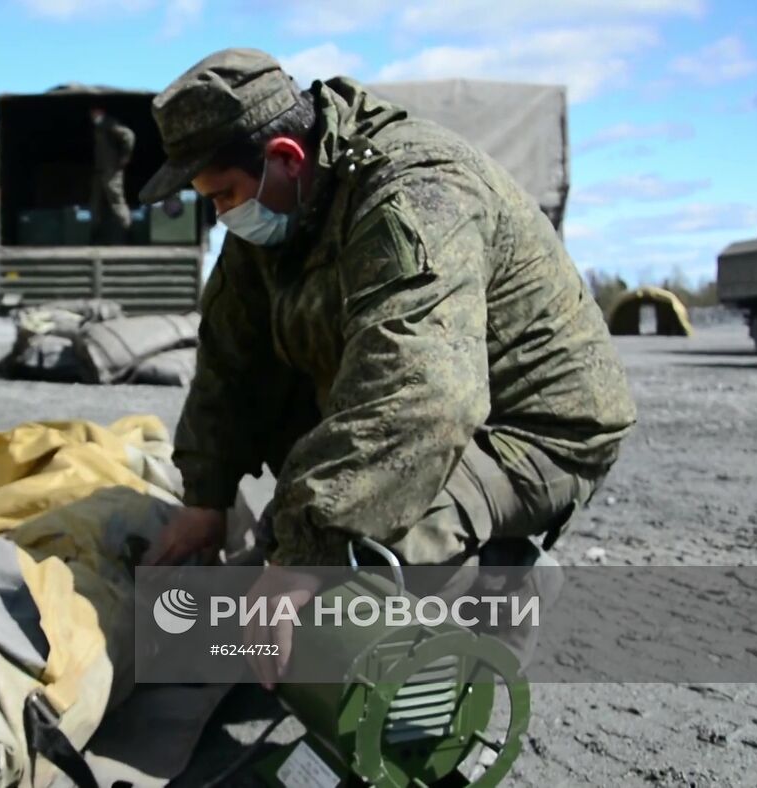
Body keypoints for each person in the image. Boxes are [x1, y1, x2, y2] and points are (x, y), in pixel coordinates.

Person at [137, 49, 637, 686]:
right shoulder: (276, 206)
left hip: (533, 425)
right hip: (437, 401)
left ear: (287, 157)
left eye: (225, 195)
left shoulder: (415, 193)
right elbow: (229, 361)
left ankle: (499, 584)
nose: (222, 215)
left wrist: (310, 554)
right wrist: (204, 497)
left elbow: (422, 398)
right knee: (289, 554)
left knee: (353, 565)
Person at [89, 106, 136, 244]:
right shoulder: (99, 126)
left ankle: (128, 234)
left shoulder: (109, 124)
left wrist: (125, 157)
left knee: (117, 202)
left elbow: (129, 135)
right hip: (101, 170)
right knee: (95, 203)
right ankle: (95, 237)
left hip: (111, 171)